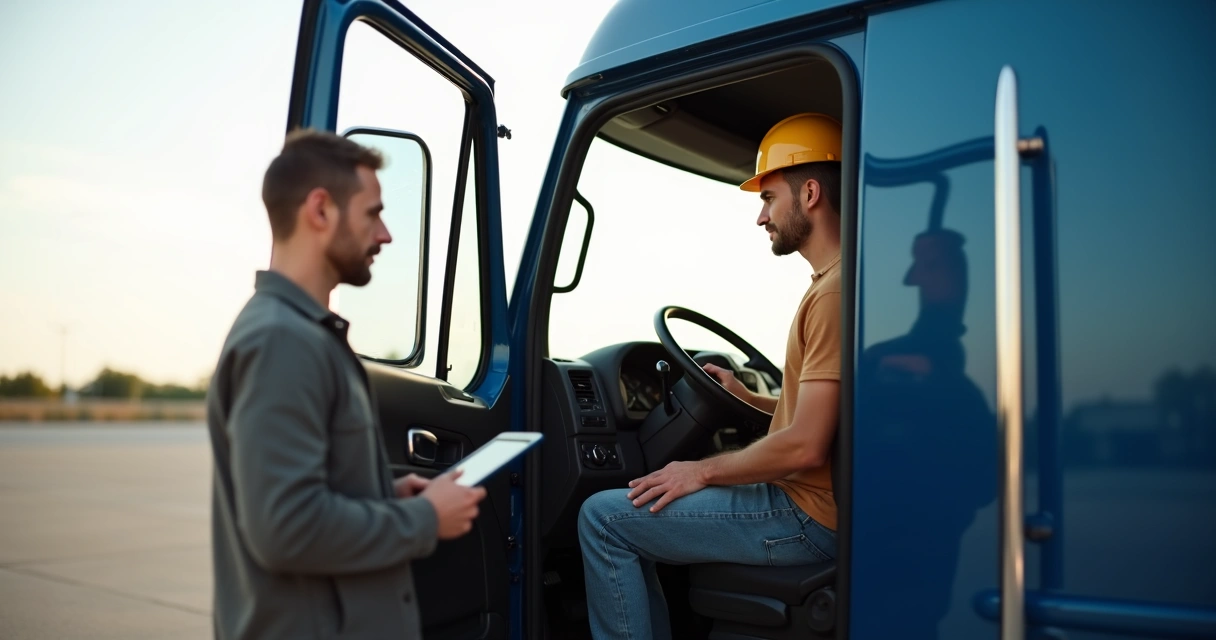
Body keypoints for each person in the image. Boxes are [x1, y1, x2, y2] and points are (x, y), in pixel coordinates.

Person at [206, 129, 486, 640]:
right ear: (320, 210)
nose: (385, 234)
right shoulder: (281, 342)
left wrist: (384, 494)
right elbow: (285, 528)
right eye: (372, 213)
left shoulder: (300, 333)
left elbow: (310, 489)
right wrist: (423, 519)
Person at [577, 113, 845, 640]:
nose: (761, 217)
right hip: (823, 507)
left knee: (603, 520)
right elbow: (825, 417)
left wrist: (700, 472)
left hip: (806, 518)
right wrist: (748, 397)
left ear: (810, 192)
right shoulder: (841, 281)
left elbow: (806, 447)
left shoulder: (833, 295)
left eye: (769, 199)